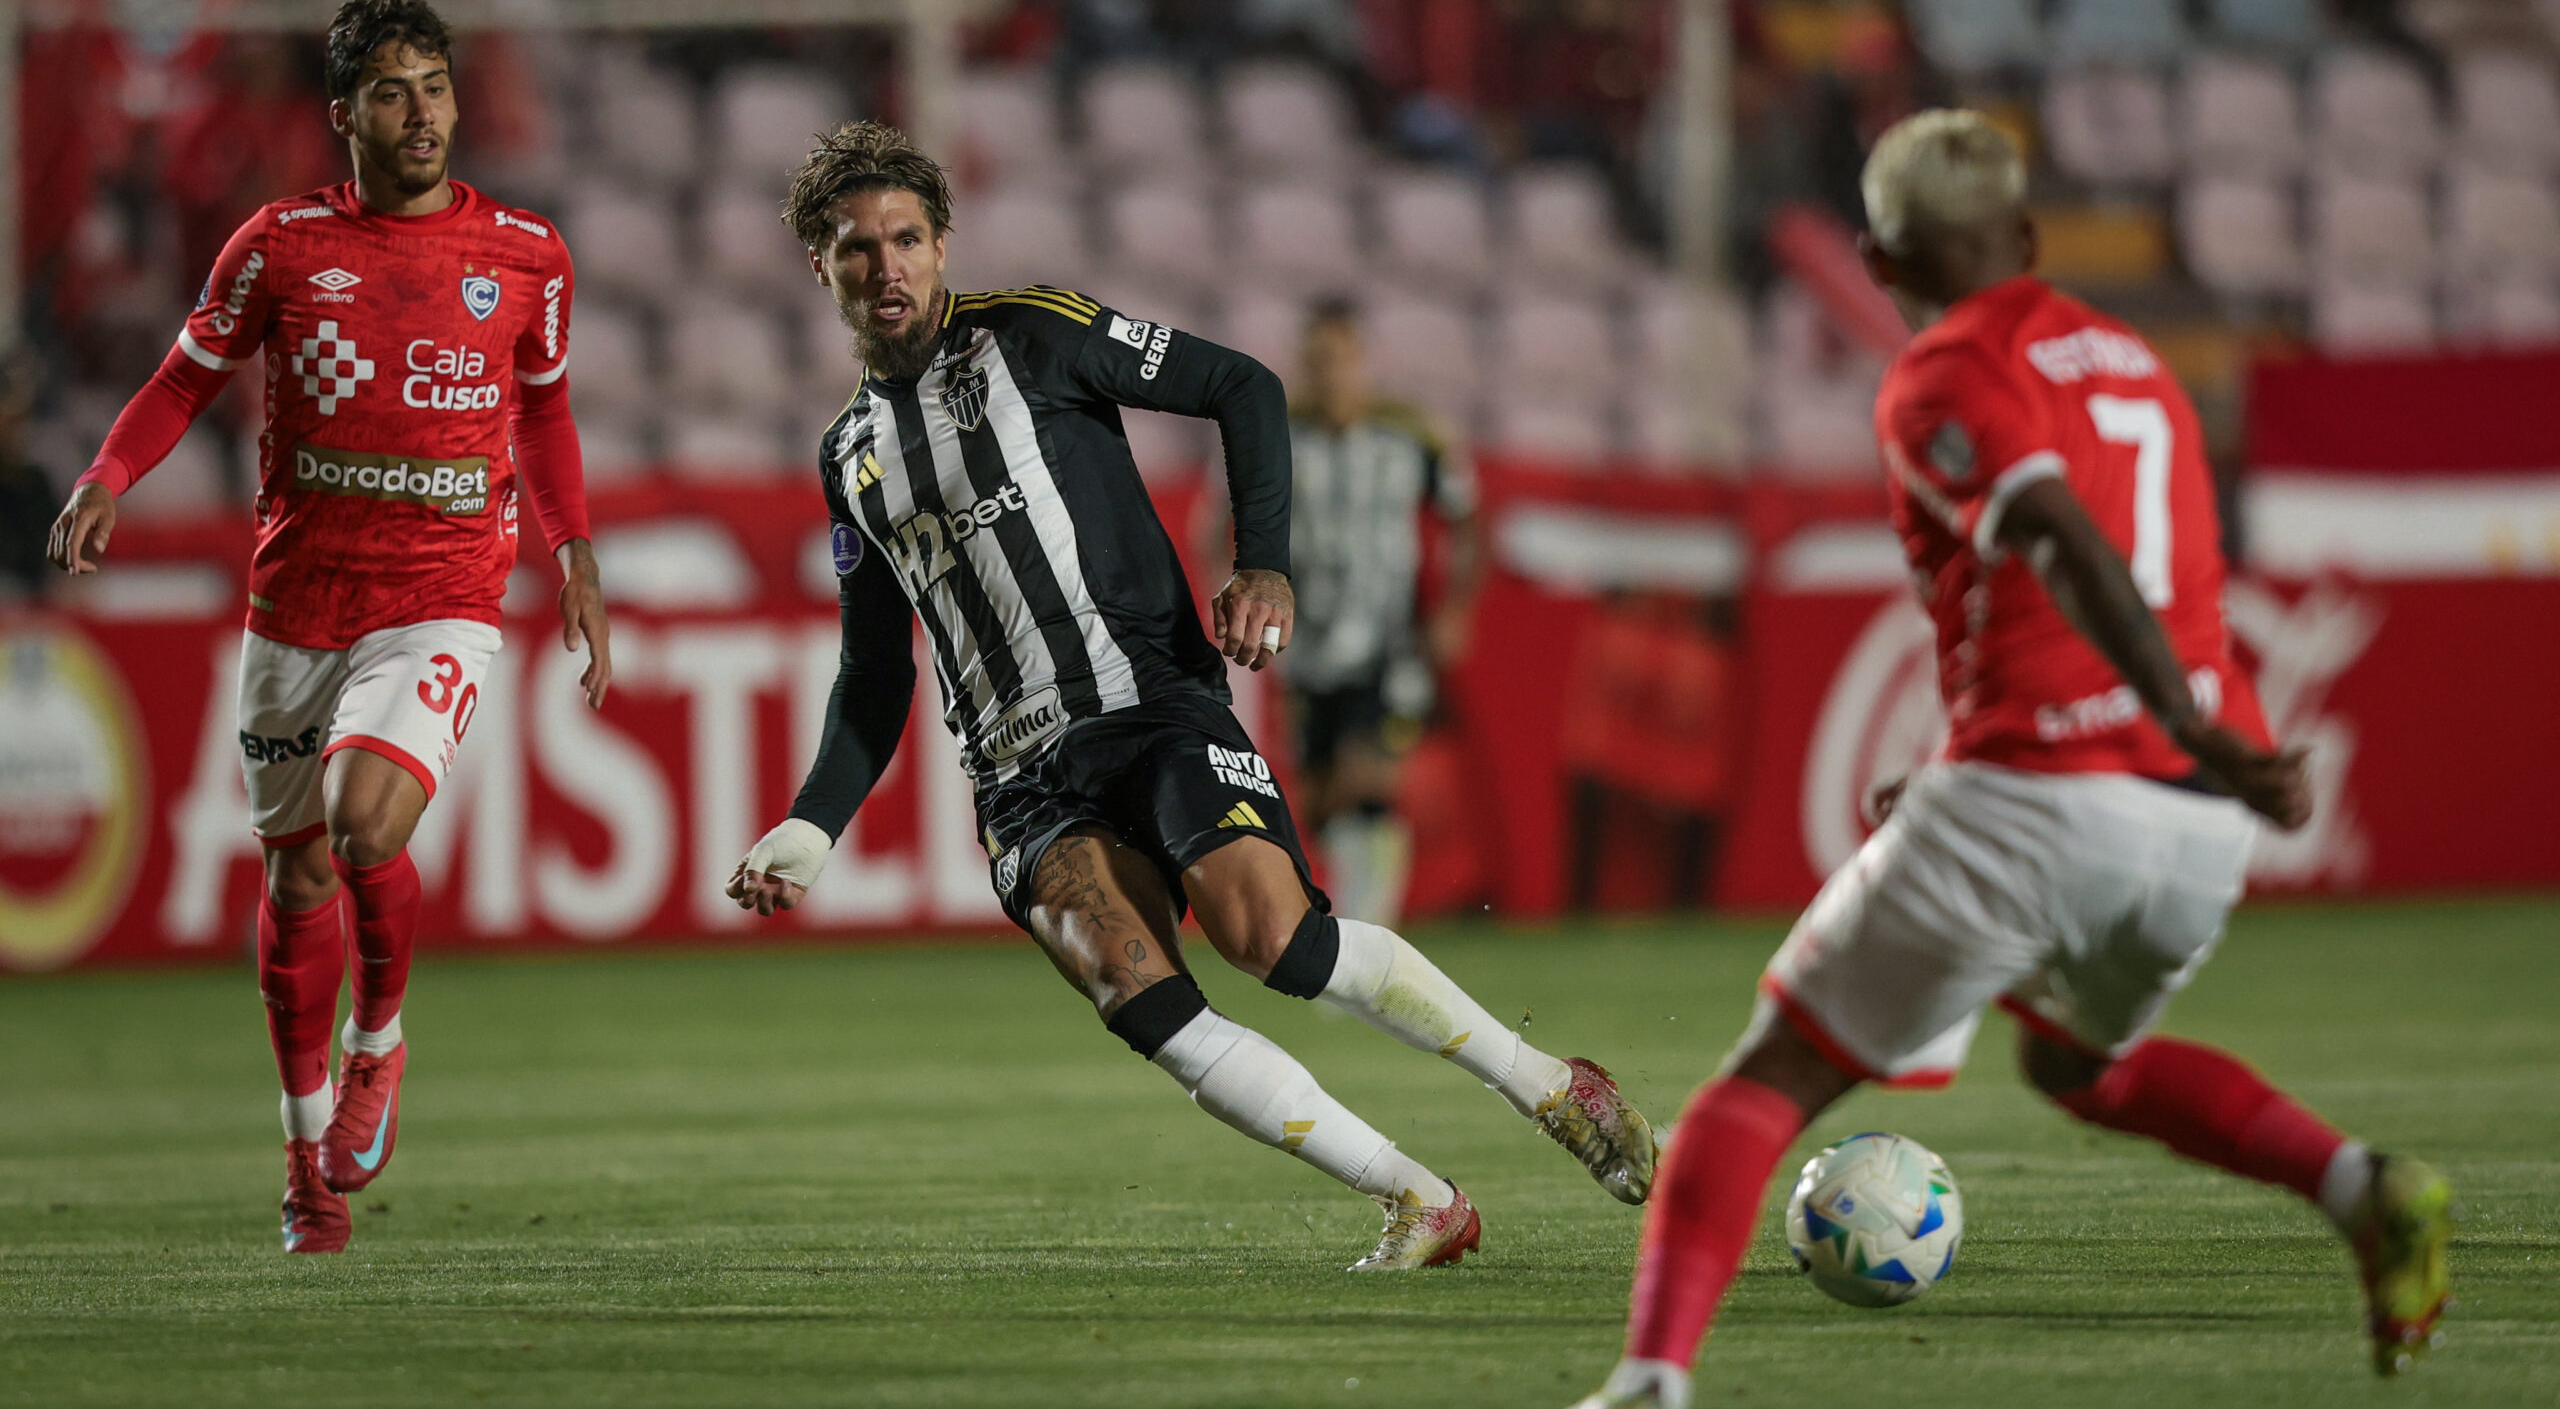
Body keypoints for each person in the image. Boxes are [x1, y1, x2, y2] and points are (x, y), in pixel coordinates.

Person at [1570, 111, 2450, 1406]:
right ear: (2029, 236)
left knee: (1764, 1082)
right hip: (2194, 822)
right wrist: (2196, 733)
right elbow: (2119, 584)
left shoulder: (1942, 372)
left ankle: (1649, 1381)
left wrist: (2138, 728)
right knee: (2075, 1062)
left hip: (2057, 792)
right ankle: (2358, 1185)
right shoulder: (2139, 366)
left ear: (1879, 259)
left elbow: (2058, 548)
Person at [725, 124, 1653, 1269]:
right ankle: (1417, 1197)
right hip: (1019, 783)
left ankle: (1551, 1086)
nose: (887, 267)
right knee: (1142, 999)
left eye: (906, 238)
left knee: (1279, 943)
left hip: (1149, 704)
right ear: (819, 267)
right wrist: (814, 821)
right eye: (855, 248)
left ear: (941, 242)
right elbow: (876, 667)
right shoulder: (849, 456)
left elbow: (1240, 385)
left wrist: (1264, 557)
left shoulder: (1035, 333)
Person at [46, 0, 611, 1255]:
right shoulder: (278, 246)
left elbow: (547, 413)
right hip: (298, 603)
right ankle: (304, 1162)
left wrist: (573, 549)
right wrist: (106, 475)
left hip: (445, 596)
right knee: (296, 869)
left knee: (364, 824)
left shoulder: (525, 253)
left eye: (438, 87)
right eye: (395, 92)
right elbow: (185, 374)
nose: (424, 115)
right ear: (343, 111)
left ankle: (381, 1043)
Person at [1284, 300, 1480, 925]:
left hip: (1388, 639)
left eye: (1339, 359)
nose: (1329, 374)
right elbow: (1218, 526)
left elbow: (1469, 523)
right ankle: (1357, 914)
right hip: (1306, 644)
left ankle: (1367, 928)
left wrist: (1453, 610)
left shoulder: (1410, 436)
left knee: (1365, 781)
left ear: (1362, 363)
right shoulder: (1276, 435)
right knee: (1317, 801)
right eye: (1317, 361)